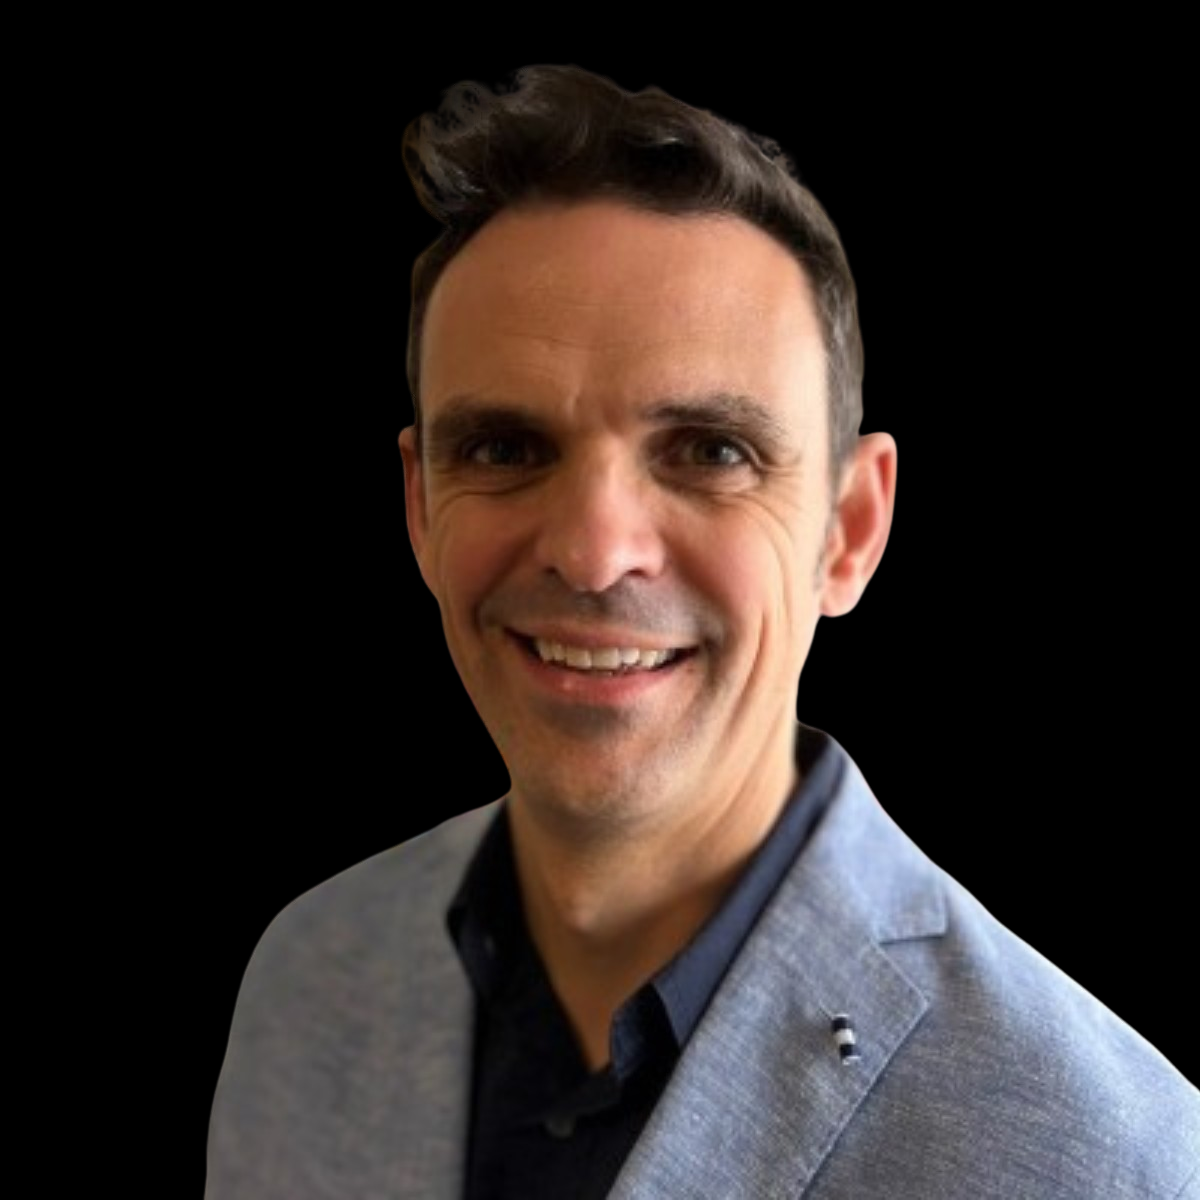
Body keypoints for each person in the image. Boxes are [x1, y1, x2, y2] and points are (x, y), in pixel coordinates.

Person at [205, 64, 1199, 1199]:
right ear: (421, 509)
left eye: (710, 451)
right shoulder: (307, 971)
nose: (592, 551)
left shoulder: (1107, 1160)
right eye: (504, 449)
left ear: (850, 529)